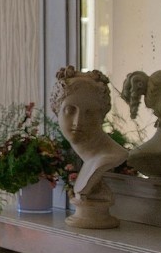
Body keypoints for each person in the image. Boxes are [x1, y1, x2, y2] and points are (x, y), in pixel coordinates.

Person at [50, 66, 127, 227]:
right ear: (56, 111)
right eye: (70, 110)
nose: (78, 122)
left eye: (90, 112)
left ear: (102, 115)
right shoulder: (90, 160)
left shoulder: (110, 157)